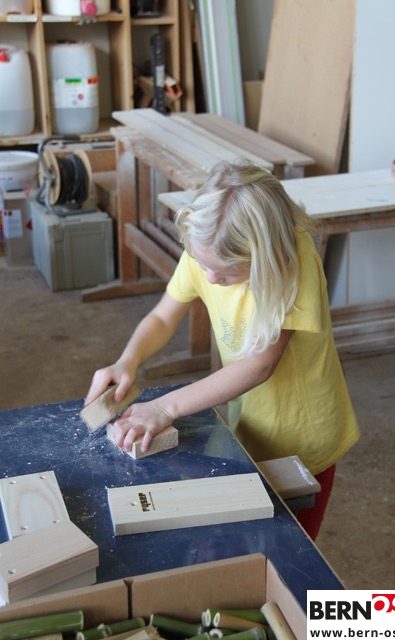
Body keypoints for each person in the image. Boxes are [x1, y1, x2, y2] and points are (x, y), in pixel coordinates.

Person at [85, 159, 360, 540]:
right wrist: (127, 360)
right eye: (202, 264)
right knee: (244, 538)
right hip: (249, 423)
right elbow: (163, 317)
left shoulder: (294, 265)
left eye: (228, 272)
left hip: (303, 438)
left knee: (289, 548)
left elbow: (259, 365)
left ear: (266, 257)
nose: (210, 278)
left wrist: (164, 408)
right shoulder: (207, 242)